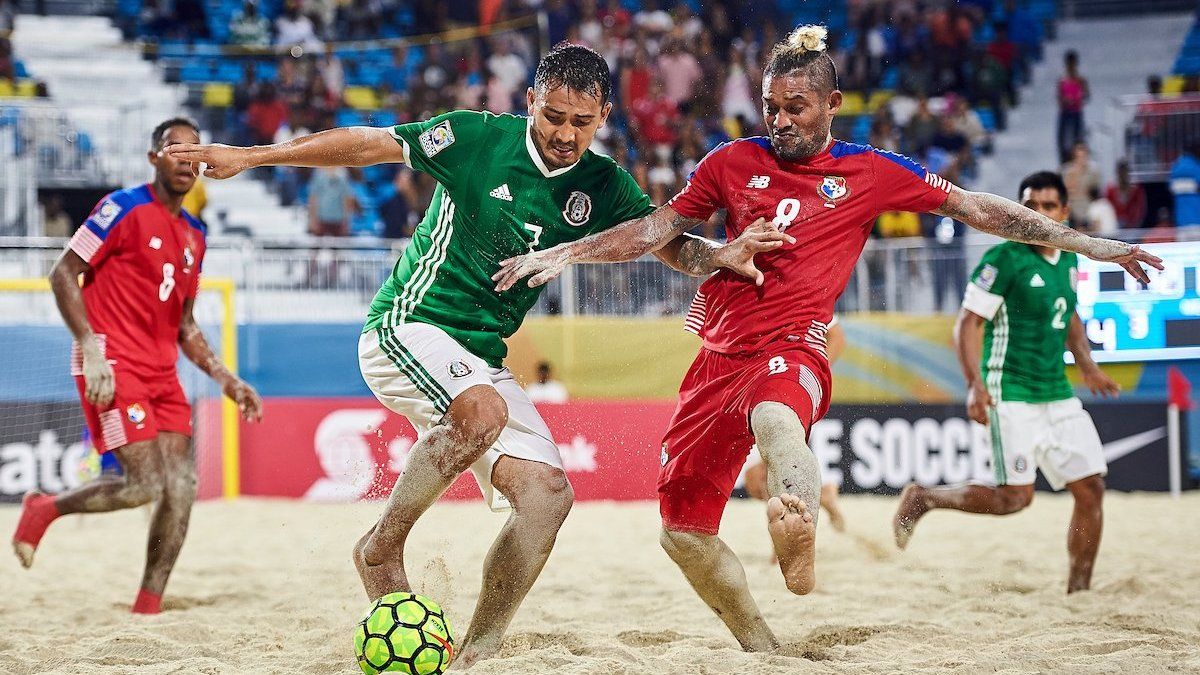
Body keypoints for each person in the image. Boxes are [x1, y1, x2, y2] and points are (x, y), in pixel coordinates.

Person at [492, 25, 1161, 651]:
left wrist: (1094, 245)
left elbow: (980, 208)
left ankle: (798, 520)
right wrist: (570, 252)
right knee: (682, 534)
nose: (781, 121)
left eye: (796, 107)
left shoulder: (870, 170)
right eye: (771, 107)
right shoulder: (731, 162)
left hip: (795, 345)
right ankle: (766, 647)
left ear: (833, 103)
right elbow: (657, 228)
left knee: (781, 423)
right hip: (715, 359)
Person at [166, 43, 767, 667]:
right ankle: (381, 546)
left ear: (603, 116)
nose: (564, 134)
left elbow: (666, 245)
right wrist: (252, 156)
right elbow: (366, 144)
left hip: (482, 356)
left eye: (580, 123)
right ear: (530, 100)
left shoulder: (604, 183)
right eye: (552, 116)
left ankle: (480, 648)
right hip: (408, 324)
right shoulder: (473, 136)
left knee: (548, 499)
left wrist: (719, 256)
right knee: (481, 414)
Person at [10, 118, 263, 614]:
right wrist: (91, 347)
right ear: (154, 159)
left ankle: (148, 604)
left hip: (163, 372)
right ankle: (45, 509)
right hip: (109, 361)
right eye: (175, 149)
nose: (187, 158)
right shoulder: (121, 208)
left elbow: (186, 323)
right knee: (144, 484)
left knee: (183, 487)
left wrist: (226, 378)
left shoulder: (194, 234)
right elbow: (64, 273)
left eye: (195, 150)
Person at [893, 171, 1120, 593]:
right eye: (1029, 206)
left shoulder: (1069, 259)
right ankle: (925, 498)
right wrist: (975, 384)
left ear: (1064, 212)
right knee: (1015, 498)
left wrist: (1086, 363)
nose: (1037, 215)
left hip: (1056, 392)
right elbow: (968, 324)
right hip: (1009, 391)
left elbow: (1067, 313)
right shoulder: (1004, 259)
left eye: (1047, 206)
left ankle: (1079, 593)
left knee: (1091, 489)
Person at [741, 317, 846, 534]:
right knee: (754, 480)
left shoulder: (804, 294)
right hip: (757, 386)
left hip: (790, 387)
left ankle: (781, 542)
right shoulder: (752, 296)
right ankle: (822, 495)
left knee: (771, 470)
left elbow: (837, 337)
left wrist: (816, 371)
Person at [1057, 50, 1089, 164]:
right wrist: (1065, 101)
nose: (1071, 65)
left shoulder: (1081, 80)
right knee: (1062, 140)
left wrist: (1078, 97)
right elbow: (1059, 98)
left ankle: (1078, 161)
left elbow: (1087, 96)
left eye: (1073, 63)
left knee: (1078, 139)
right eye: (1069, 63)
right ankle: (1064, 162)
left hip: (1076, 112)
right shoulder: (1062, 80)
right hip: (1065, 113)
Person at [1106, 159, 1146, 229]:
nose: (1123, 176)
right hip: (1115, 226)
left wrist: (1133, 223)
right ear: (1117, 174)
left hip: (1133, 226)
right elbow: (1107, 209)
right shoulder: (1110, 190)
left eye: (1125, 173)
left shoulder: (1136, 190)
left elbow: (1140, 209)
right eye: (1121, 173)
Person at [1169, 140, 1200, 228]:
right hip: (1197, 220)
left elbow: (1171, 188)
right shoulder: (1196, 167)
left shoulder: (1176, 166)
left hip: (1181, 222)